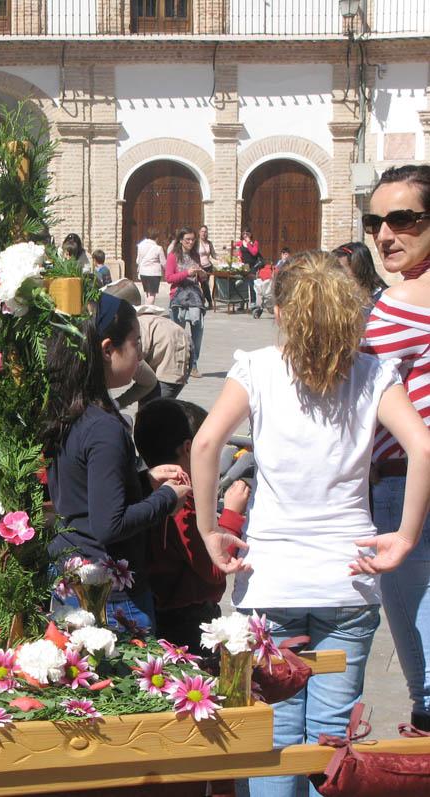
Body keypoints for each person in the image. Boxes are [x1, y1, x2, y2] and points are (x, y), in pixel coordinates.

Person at [191, 251, 430, 797]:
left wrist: (210, 529)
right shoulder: (374, 372)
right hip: (346, 578)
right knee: (329, 738)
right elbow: (422, 446)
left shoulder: (256, 368)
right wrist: (405, 536)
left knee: (273, 733)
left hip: (271, 580)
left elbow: (205, 443)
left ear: (281, 312)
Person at [44, 293, 190, 632]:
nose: (140, 354)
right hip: (106, 593)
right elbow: (110, 523)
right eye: (136, 343)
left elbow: (87, 498)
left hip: (74, 571)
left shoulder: (74, 411)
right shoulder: (104, 428)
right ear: (108, 349)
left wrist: (143, 481)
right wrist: (167, 497)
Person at [361, 163, 430, 733]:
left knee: (421, 648)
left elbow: (336, 374)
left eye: (403, 218)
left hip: (407, 481)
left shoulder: (404, 301)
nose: (386, 234)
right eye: (375, 221)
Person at [134, 399, 250, 652]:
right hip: (186, 622)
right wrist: (231, 514)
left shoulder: (143, 491)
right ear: (189, 449)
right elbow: (215, 569)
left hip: (156, 613)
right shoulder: (181, 502)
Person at [108, 279, 192, 404]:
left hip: (173, 353)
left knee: (152, 408)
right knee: (148, 407)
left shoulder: (128, 337)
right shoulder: (125, 326)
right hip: (165, 344)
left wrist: (117, 403)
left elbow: (147, 382)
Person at [165, 227, 207, 378]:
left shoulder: (195, 255)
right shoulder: (173, 256)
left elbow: (201, 279)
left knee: (198, 330)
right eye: (187, 239)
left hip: (195, 296)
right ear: (181, 240)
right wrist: (186, 273)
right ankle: (177, 364)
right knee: (177, 332)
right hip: (178, 296)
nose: (190, 242)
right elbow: (169, 278)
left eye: (192, 239)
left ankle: (193, 364)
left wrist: (202, 274)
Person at [335, 241, 386, 311]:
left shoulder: (385, 300)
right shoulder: (338, 300)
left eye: (340, 268)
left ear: (358, 269)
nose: (334, 273)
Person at [136, 229, 166, 305]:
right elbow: (163, 263)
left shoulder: (140, 246)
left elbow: (137, 260)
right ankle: (148, 310)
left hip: (143, 272)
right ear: (156, 237)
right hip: (154, 273)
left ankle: (147, 309)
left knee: (147, 293)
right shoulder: (158, 248)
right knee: (152, 294)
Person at [237, 228, 262, 309]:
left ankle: (253, 302)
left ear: (250, 234)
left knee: (251, 284)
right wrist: (239, 258)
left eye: (247, 234)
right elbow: (238, 250)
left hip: (252, 266)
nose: (245, 235)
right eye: (243, 234)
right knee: (241, 284)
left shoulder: (254, 243)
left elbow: (254, 253)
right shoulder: (241, 243)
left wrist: (248, 243)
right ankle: (242, 302)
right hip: (244, 266)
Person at [197, 226, 218, 309]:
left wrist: (220, 258)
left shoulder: (209, 243)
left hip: (208, 266)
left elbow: (213, 254)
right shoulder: (196, 243)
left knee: (206, 284)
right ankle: (206, 301)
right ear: (199, 232)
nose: (204, 233)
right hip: (199, 267)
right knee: (203, 284)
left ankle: (208, 301)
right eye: (202, 231)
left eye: (205, 232)